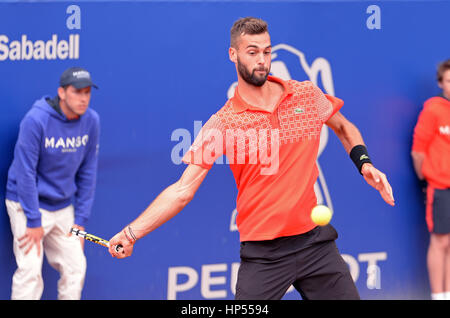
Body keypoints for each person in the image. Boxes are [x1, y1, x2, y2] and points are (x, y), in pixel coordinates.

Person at [108, 17, 395, 300]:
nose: (262, 59)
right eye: (253, 51)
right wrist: (132, 233)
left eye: (267, 51)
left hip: (315, 243)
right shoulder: (223, 123)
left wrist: (364, 164)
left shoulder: (306, 95)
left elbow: (344, 126)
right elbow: (182, 191)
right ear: (233, 54)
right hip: (263, 254)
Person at [5, 67, 100, 300]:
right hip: (27, 205)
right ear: (62, 92)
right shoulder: (36, 120)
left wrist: (80, 222)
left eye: (87, 92)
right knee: (29, 272)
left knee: (76, 266)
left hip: (62, 206)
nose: (83, 98)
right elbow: (25, 172)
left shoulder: (91, 121)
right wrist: (34, 219)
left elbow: (88, 172)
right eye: (77, 92)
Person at [411, 59, 450, 300]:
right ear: (440, 83)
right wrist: (427, 178)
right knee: (440, 242)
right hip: (440, 188)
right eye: (449, 80)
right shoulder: (433, 109)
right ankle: (438, 296)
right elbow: (418, 151)